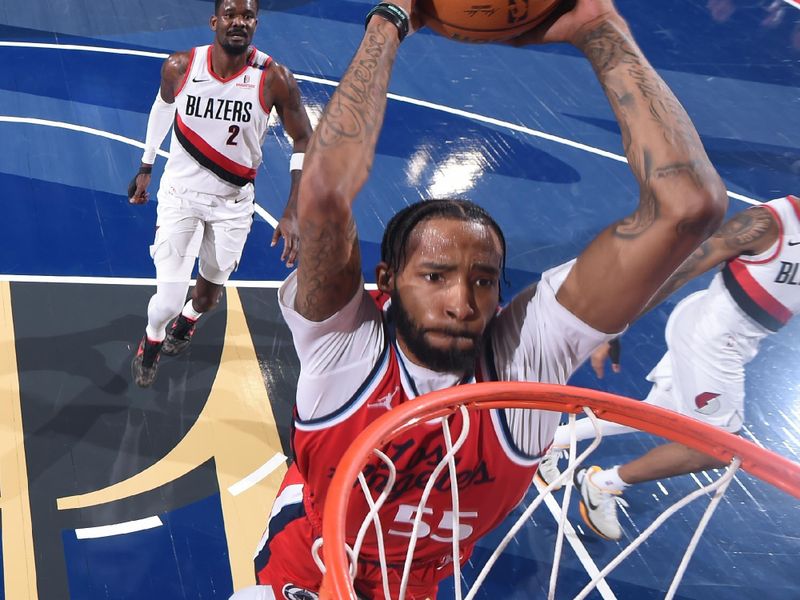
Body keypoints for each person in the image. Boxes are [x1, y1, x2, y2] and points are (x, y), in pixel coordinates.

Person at [232, 0, 728, 598]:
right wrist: (390, 19)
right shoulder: (346, 346)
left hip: (415, 580)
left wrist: (601, 30)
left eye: (484, 280)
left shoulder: (526, 360)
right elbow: (322, 193)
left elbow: (689, 207)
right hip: (306, 561)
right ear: (385, 282)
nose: (463, 302)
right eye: (435, 276)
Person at [537, 194, 800, 541]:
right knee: (717, 448)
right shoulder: (770, 222)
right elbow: (684, 267)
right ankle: (602, 483)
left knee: (660, 412)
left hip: (723, 333)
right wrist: (619, 321)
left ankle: (553, 442)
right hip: (713, 340)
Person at [128, 0, 313, 387]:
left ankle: (190, 320)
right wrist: (146, 165)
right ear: (215, 21)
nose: (238, 22)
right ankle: (153, 339)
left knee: (208, 298)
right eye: (231, 14)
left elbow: (304, 140)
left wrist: (294, 209)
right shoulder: (181, 67)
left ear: (256, 25)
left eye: (247, 17)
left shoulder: (274, 78)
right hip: (180, 196)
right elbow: (162, 108)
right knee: (166, 300)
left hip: (233, 204)